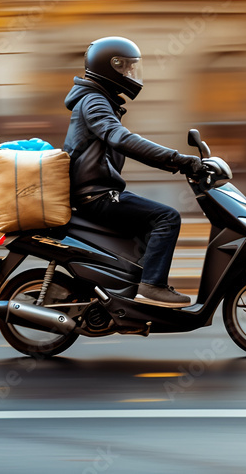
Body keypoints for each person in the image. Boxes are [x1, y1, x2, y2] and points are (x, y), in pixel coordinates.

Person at [63, 36, 205, 307]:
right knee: (167, 218)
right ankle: (152, 287)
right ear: (110, 67)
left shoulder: (97, 99)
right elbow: (122, 140)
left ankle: (127, 293)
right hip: (96, 194)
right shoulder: (94, 102)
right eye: (126, 68)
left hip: (97, 191)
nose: (130, 74)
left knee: (146, 229)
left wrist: (175, 163)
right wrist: (178, 161)